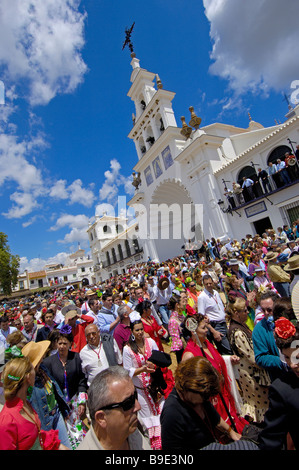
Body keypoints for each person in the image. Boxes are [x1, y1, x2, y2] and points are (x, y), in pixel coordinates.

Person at [182, 314, 248, 434]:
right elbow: (187, 385)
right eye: (203, 328)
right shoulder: (190, 355)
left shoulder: (207, 343)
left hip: (223, 393)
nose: (207, 330)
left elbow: (214, 361)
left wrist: (228, 359)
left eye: (207, 327)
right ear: (193, 331)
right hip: (211, 401)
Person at [161, 356, 242, 450]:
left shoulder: (199, 397)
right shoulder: (172, 414)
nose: (207, 399)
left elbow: (214, 417)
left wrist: (232, 433)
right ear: (190, 387)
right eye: (205, 396)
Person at [0, 356, 66, 450]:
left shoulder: (25, 403)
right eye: (33, 369)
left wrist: (58, 445)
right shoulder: (7, 419)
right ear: (28, 377)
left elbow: (37, 435)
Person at [77, 366, 151, 450]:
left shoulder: (136, 426)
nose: (138, 407)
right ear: (101, 418)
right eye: (128, 403)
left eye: (135, 396)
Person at [122, 312, 165, 449]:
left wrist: (155, 365)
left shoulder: (150, 342)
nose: (140, 332)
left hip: (155, 387)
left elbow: (160, 358)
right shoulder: (127, 349)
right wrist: (143, 369)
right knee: (149, 421)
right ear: (132, 331)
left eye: (141, 329)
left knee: (161, 415)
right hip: (141, 391)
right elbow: (128, 371)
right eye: (137, 330)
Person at [42, 326, 89, 449]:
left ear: (70, 344)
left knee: (79, 435)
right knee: (64, 437)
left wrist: (82, 402)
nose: (62, 346)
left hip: (75, 403)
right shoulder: (48, 362)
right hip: (58, 406)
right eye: (60, 343)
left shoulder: (76, 358)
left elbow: (81, 380)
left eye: (65, 343)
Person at [226, 297, 270, 423]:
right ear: (236, 313)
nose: (247, 313)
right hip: (250, 371)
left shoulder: (241, 326)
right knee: (258, 400)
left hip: (250, 369)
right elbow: (251, 355)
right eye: (244, 311)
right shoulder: (237, 332)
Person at [21, 340, 72, 448]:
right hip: (44, 420)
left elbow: (55, 390)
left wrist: (64, 409)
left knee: (66, 446)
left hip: (56, 414)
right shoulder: (28, 382)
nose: (43, 356)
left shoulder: (43, 369)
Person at [258, 318, 299, 450]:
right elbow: (271, 439)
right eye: (287, 357)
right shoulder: (282, 389)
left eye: (297, 358)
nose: (292, 365)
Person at [252, 291, 285, 382]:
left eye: (269, 310)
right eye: (263, 310)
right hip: (281, 377)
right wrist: (283, 361)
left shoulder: (289, 319)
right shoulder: (259, 330)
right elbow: (260, 357)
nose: (266, 313)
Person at [197, 275, 232, 355]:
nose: (209, 285)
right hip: (215, 326)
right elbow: (202, 318)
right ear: (203, 284)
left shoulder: (215, 292)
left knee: (229, 348)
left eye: (210, 283)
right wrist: (214, 331)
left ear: (213, 282)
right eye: (206, 284)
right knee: (227, 350)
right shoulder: (202, 297)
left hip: (223, 323)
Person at [167, 292, 188, 364]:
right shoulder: (173, 320)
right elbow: (176, 339)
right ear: (177, 305)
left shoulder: (181, 316)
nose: (184, 304)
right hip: (182, 351)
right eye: (182, 302)